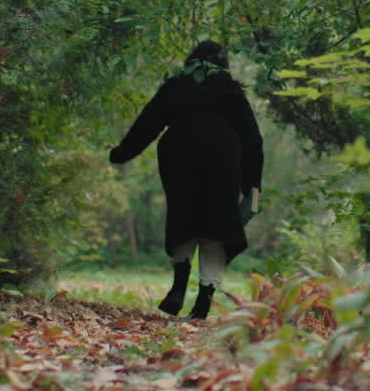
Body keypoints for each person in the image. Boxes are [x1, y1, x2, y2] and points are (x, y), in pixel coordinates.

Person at [109, 41, 264, 320]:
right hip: (222, 156)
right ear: (223, 64)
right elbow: (253, 140)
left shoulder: (176, 86)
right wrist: (252, 186)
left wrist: (122, 153)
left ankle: (178, 287)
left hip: (179, 154)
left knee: (184, 216)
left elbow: (149, 121)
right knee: (217, 225)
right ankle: (203, 302)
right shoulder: (231, 92)